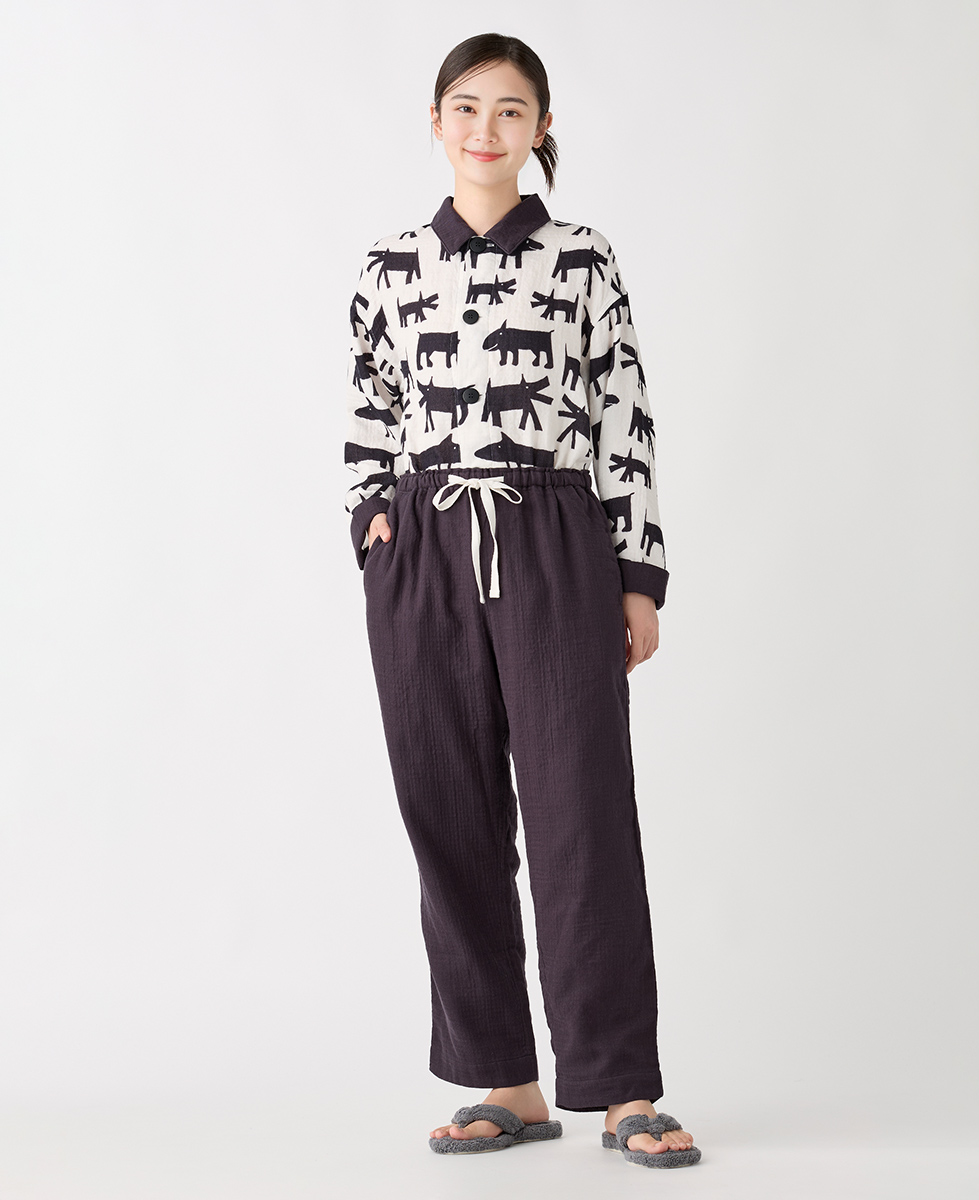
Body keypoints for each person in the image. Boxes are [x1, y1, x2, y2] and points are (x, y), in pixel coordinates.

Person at [342, 32, 699, 1169]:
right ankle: (506, 1079)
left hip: (553, 539)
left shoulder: (582, 260)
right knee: (448, 814)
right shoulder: (391, 265)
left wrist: (636, 576)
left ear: (542, 129)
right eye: (466, 107)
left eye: (510, 110)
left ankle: (622, 1086)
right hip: (424, 546)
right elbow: (371, 401)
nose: (485, 129)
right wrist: (372, 519)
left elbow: (622, 415)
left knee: (580, 813)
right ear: (436, 122)